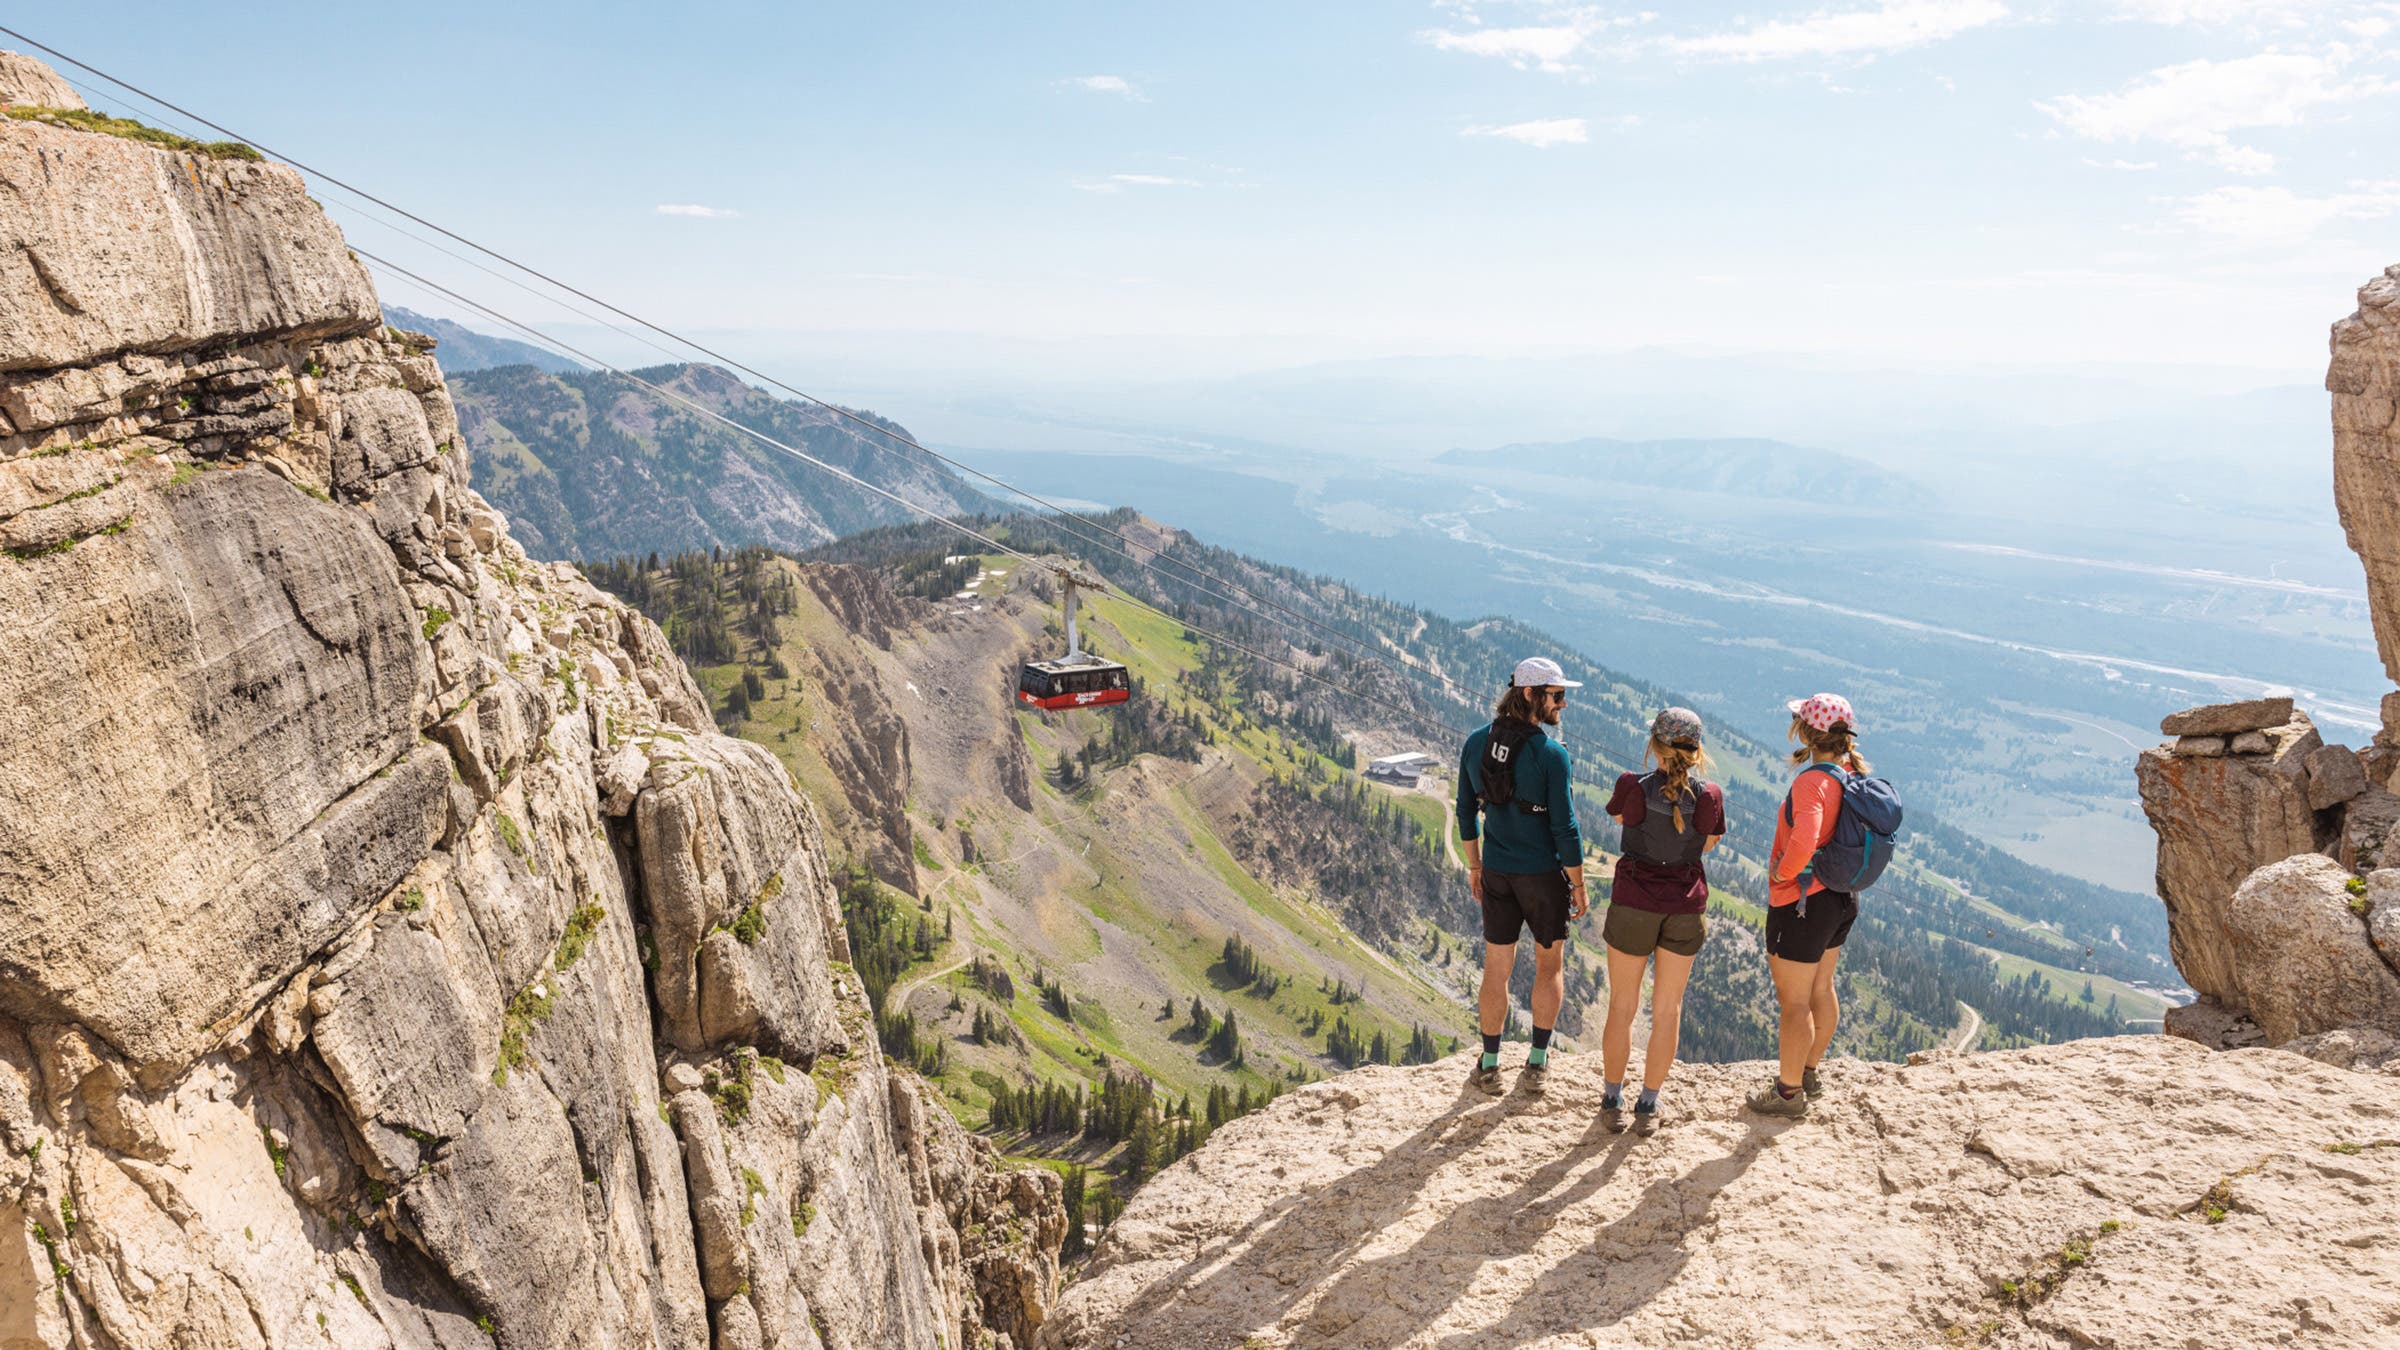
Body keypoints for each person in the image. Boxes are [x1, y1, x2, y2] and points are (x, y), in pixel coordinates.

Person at [1455, 656, 1588, 1096]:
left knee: (1497, 968)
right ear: (1530, 694)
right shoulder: (1552, 755)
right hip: (1543, 877)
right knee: (1549, 967)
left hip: (1496, 871)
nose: (1563, 704)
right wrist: (1580, 883)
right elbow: (1564, 827)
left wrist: (1475, 865)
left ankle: (1489, 1063)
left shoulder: (1476, 742)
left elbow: (1464, 811)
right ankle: (1536, 1064)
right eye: (1557, 695)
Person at [1598, 707, 1724, 1136]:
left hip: (1634, 900)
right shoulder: (1709, 796)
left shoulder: (1632, 786)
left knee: (1622, 1005)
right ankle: (1648, 1104)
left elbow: (1619, 818)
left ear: (1655, 744)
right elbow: (1708, 843)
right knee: (1667, 1010)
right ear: (1696, 749)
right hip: (1684, 907)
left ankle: (1612, 1099)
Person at [1749, 692, 1867, 1119]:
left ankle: (1787, 1094)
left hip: (1802, 901)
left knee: (1795, 1002)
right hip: (1840, 898)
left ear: (1806, 730)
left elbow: (1804, 838)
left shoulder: (1811, 781)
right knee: (1822, 987)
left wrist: (1783, 873)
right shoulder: (1850, 773)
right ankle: (1809, 1071)